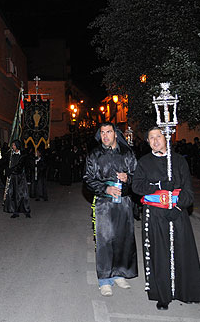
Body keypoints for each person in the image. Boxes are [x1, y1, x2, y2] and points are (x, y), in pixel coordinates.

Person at [132, 127, 200, 310]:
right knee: (160, 254)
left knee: (180, 250)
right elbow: (137, 186)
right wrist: (158, 186)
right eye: (151, 138)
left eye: (159, 136)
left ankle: (183, 290)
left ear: (166, 139)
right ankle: (162, 294)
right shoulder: (143, 162)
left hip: (177, 212)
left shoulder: (179, 161)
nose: (155, 140)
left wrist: (179, 207)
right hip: (155, 214)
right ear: (148, 142)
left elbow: (188, 190)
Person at [84, 123, 138, 296]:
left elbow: (138, 176)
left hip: (123, 202)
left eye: (109, 132)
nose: (105, 135)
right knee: (105, 240)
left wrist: (128, 178)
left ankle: (119, 273)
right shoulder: (94, 155)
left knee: (123, 238)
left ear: (116, 134)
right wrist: (105, 189)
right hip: (103, 203)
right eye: (102, 132)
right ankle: (105, 279)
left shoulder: (127, 153)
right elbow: (88, 179)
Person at [3, 139, 31, 218]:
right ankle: (15, 211)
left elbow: (19, 166)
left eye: (14, 145)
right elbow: (6, 163)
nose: (13, 147)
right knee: (13, 194)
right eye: (12, 145)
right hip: (13, 178)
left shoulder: (23, 155)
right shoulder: (10, 155)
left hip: (20, 177)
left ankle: (26, 211)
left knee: (23, 194)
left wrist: (10, 170)